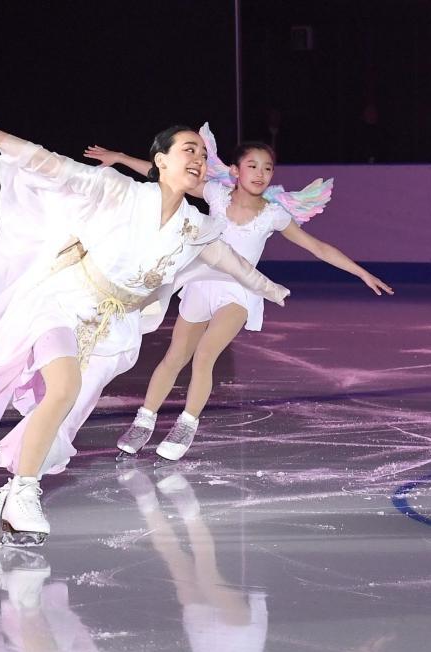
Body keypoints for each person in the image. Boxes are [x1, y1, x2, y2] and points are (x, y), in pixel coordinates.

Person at [0, 109, 289, 545]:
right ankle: (24, 492)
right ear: (161, 160)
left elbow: (236, 265)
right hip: (62, 302)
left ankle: (7, 494)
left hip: (114, 329)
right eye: (188, 149)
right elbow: (48, 162)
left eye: (204, 153)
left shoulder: (197, 226)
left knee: (65, 417)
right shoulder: (120, 191)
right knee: (63, 388)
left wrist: (272, 289)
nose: (198, 158)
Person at [84, 124, 393, 462]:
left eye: (267, 168)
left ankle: (186, 424)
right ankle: (145, 420)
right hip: (201, 284)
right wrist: (118, 157)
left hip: (241, 291)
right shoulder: (216, 194)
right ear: (235, 170)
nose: (260, 173)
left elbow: (317, 247)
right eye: (252, 165)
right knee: (175, 356)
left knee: (205, 354)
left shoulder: (274, 215)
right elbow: (166, 174)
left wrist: (362, 272)